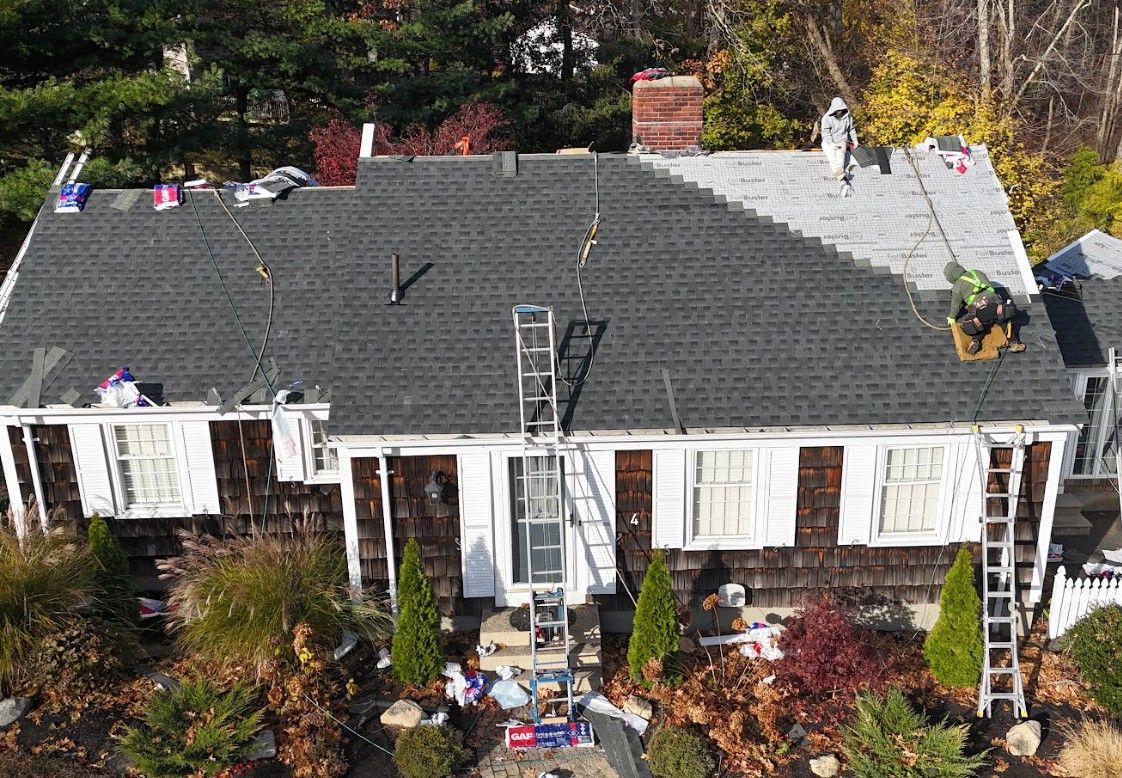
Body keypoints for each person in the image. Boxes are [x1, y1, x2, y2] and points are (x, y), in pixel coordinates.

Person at [944, 260, 1026, 355]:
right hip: (995, 304)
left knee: (981, 326)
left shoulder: (957, 287)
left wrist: (951, 318)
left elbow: (955, 305)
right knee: (1003, 320)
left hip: (978, 311)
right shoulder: (976, 272)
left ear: (950, 277)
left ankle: (975, 341)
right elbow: (988, 285)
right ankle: (1014, 343)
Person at [820, 97, 858, 181]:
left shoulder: (848, 117)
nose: (839, 112)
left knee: (840, 157)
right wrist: (831, 143)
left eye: (841, 110)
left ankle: (840, 170)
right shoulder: (826, 118)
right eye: (838, 110)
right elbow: (825, 133)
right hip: (829, 142)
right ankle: (838, 174)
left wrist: (855, 140)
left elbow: (851, 129)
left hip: (841, 141)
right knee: (832, 158)